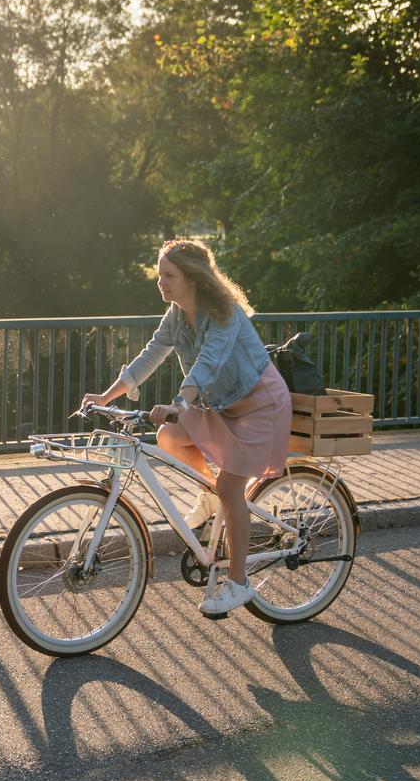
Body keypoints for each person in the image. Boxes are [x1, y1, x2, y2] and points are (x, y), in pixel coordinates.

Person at [80, 239, 292, 617]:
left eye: (168, 275)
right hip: (221, 406)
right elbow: (150, 355)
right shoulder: (176, 314)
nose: (160, 282)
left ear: (191, 278)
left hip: (261, 405)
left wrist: (180, 403)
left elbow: (208, 363)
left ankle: (239, 583)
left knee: (231, 486)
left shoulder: (223, 311)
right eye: (159, 275)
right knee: (170, 437)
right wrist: (106, 398)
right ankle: (210, 497)